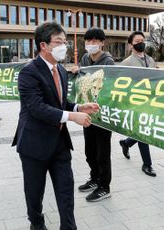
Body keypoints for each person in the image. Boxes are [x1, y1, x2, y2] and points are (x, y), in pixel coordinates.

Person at [12, 22, 100, 230]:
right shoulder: (28, 72)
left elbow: (60, 102)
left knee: (66, 191)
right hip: (34, 144)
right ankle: (37, 223)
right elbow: (37, 108)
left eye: (65, 42)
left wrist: (79, 106)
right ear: (44, 45)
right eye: (59, 42)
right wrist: (72, 116)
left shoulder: (60, 70)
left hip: (59, 143)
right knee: (34, 192)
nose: (64, 46)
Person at [71, 27, 114, 202]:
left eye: (95, 41)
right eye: (88, 41)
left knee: (102, 152)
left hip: (102, 115)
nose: (91, 44)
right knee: (90, 150)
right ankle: (94, 178)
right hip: (87, 112)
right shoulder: (85, 58)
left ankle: (104, 186)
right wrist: (76, 71)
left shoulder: (108, 62)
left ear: (102, 43)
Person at [119, 31, 157, 177]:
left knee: (146, 129)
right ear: (130, 45)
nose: (141, 43)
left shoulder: (151, 60)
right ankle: (147, 165)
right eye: (137, 41)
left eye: (143, 40)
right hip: (136, 102)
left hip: (151, 101)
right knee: (143, 132)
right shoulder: (127, 63)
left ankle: (127, 143)